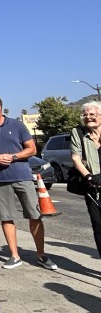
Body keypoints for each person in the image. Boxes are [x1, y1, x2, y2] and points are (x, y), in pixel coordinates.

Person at [0, 94, 58, 271]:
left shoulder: (17, 125)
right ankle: (14, 256)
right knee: (6, 217)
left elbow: (31, 149)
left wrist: (13, 156)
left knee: (34, 215)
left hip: (22, 176)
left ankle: (41, 255)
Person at [70, 101, 101, 258]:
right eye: (85, 115)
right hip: (93, 185)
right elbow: (75, 157)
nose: (88, 117)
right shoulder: (78, 132)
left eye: (92, 114)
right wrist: (88, 176)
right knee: (98, 226)